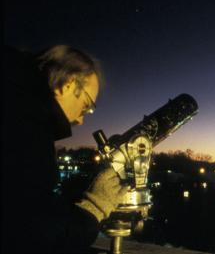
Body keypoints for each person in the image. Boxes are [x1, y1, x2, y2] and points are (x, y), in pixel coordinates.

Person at [2, 45, 129, 253]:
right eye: (87, 105)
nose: (81, 119)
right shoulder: (26, 128)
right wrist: (94, 208)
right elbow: (34, 236)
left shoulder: (16, 103)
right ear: (68, 85)